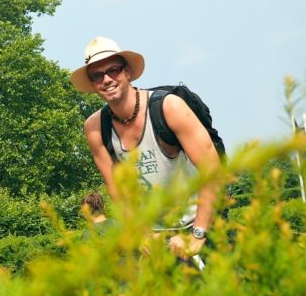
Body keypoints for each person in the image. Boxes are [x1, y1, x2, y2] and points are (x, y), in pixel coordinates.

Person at [71, 36, 221, 259]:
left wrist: (198, 234)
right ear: (93, 84)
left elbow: (213, 169)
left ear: (127, 72)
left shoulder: (168, 107)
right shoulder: (95, 128)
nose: (107, 79)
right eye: (97, 75)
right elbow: (118, 191)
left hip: (200, 225)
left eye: (113, 70)